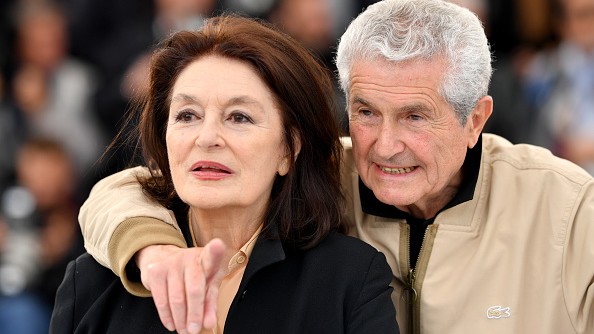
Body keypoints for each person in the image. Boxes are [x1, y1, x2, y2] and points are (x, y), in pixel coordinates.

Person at [75, 0, 594, 333]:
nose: (386, 146)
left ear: (475, 119)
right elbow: (134, 189)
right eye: (366, 112)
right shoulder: (320, 168)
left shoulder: (567, 207)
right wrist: (153, 249)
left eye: (415, 116)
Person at [49, 15, 398, 334]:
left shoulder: (350, 278)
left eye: (239, 117)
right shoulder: (90, 281)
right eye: (187, 115)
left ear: (288, 150)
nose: (207, 138)